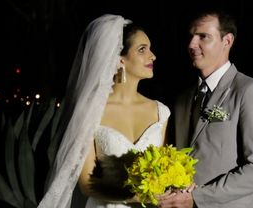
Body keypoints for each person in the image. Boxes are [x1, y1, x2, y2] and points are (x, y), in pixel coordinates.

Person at [38, 14, 170, 208]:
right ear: (119, 59)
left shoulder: (161, 112)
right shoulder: (92, 111)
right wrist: (138, 197)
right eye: (142, 49)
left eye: (149, 49)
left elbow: (164, 168)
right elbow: (86, 183)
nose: (153, 56)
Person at [158, 10, 253, 208]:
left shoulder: (250, 91)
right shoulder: (182, 99)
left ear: (227, 41)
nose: (191, 44)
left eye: (203, 37)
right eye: (191, 37)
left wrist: (198, 198)